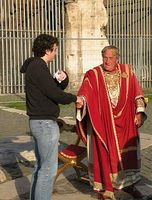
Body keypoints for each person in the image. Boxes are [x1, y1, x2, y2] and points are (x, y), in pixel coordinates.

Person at [76, 45, 147, 199]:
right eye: (105, 58)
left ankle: (128, 185)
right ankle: (107, 188)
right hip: (103, 122)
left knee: (127, 156)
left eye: (110, 58)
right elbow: (84, 92)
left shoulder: (127, 72)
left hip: (126, 122)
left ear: (117, 58)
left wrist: (139, 112)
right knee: (105, 154)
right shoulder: (93, 74)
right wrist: (81, 101)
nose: (107, 61)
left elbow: (137, 93)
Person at [20, 33, 82, 200]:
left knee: (41, 167)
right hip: (45, 123)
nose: (56, 52)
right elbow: (55, 95)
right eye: (55, 49)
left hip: (40, 122)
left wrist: (61, 81)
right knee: (48, 169)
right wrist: (76, 98)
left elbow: (49, 90)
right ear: (47, 50)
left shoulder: (35, 66)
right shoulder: (38, 67)